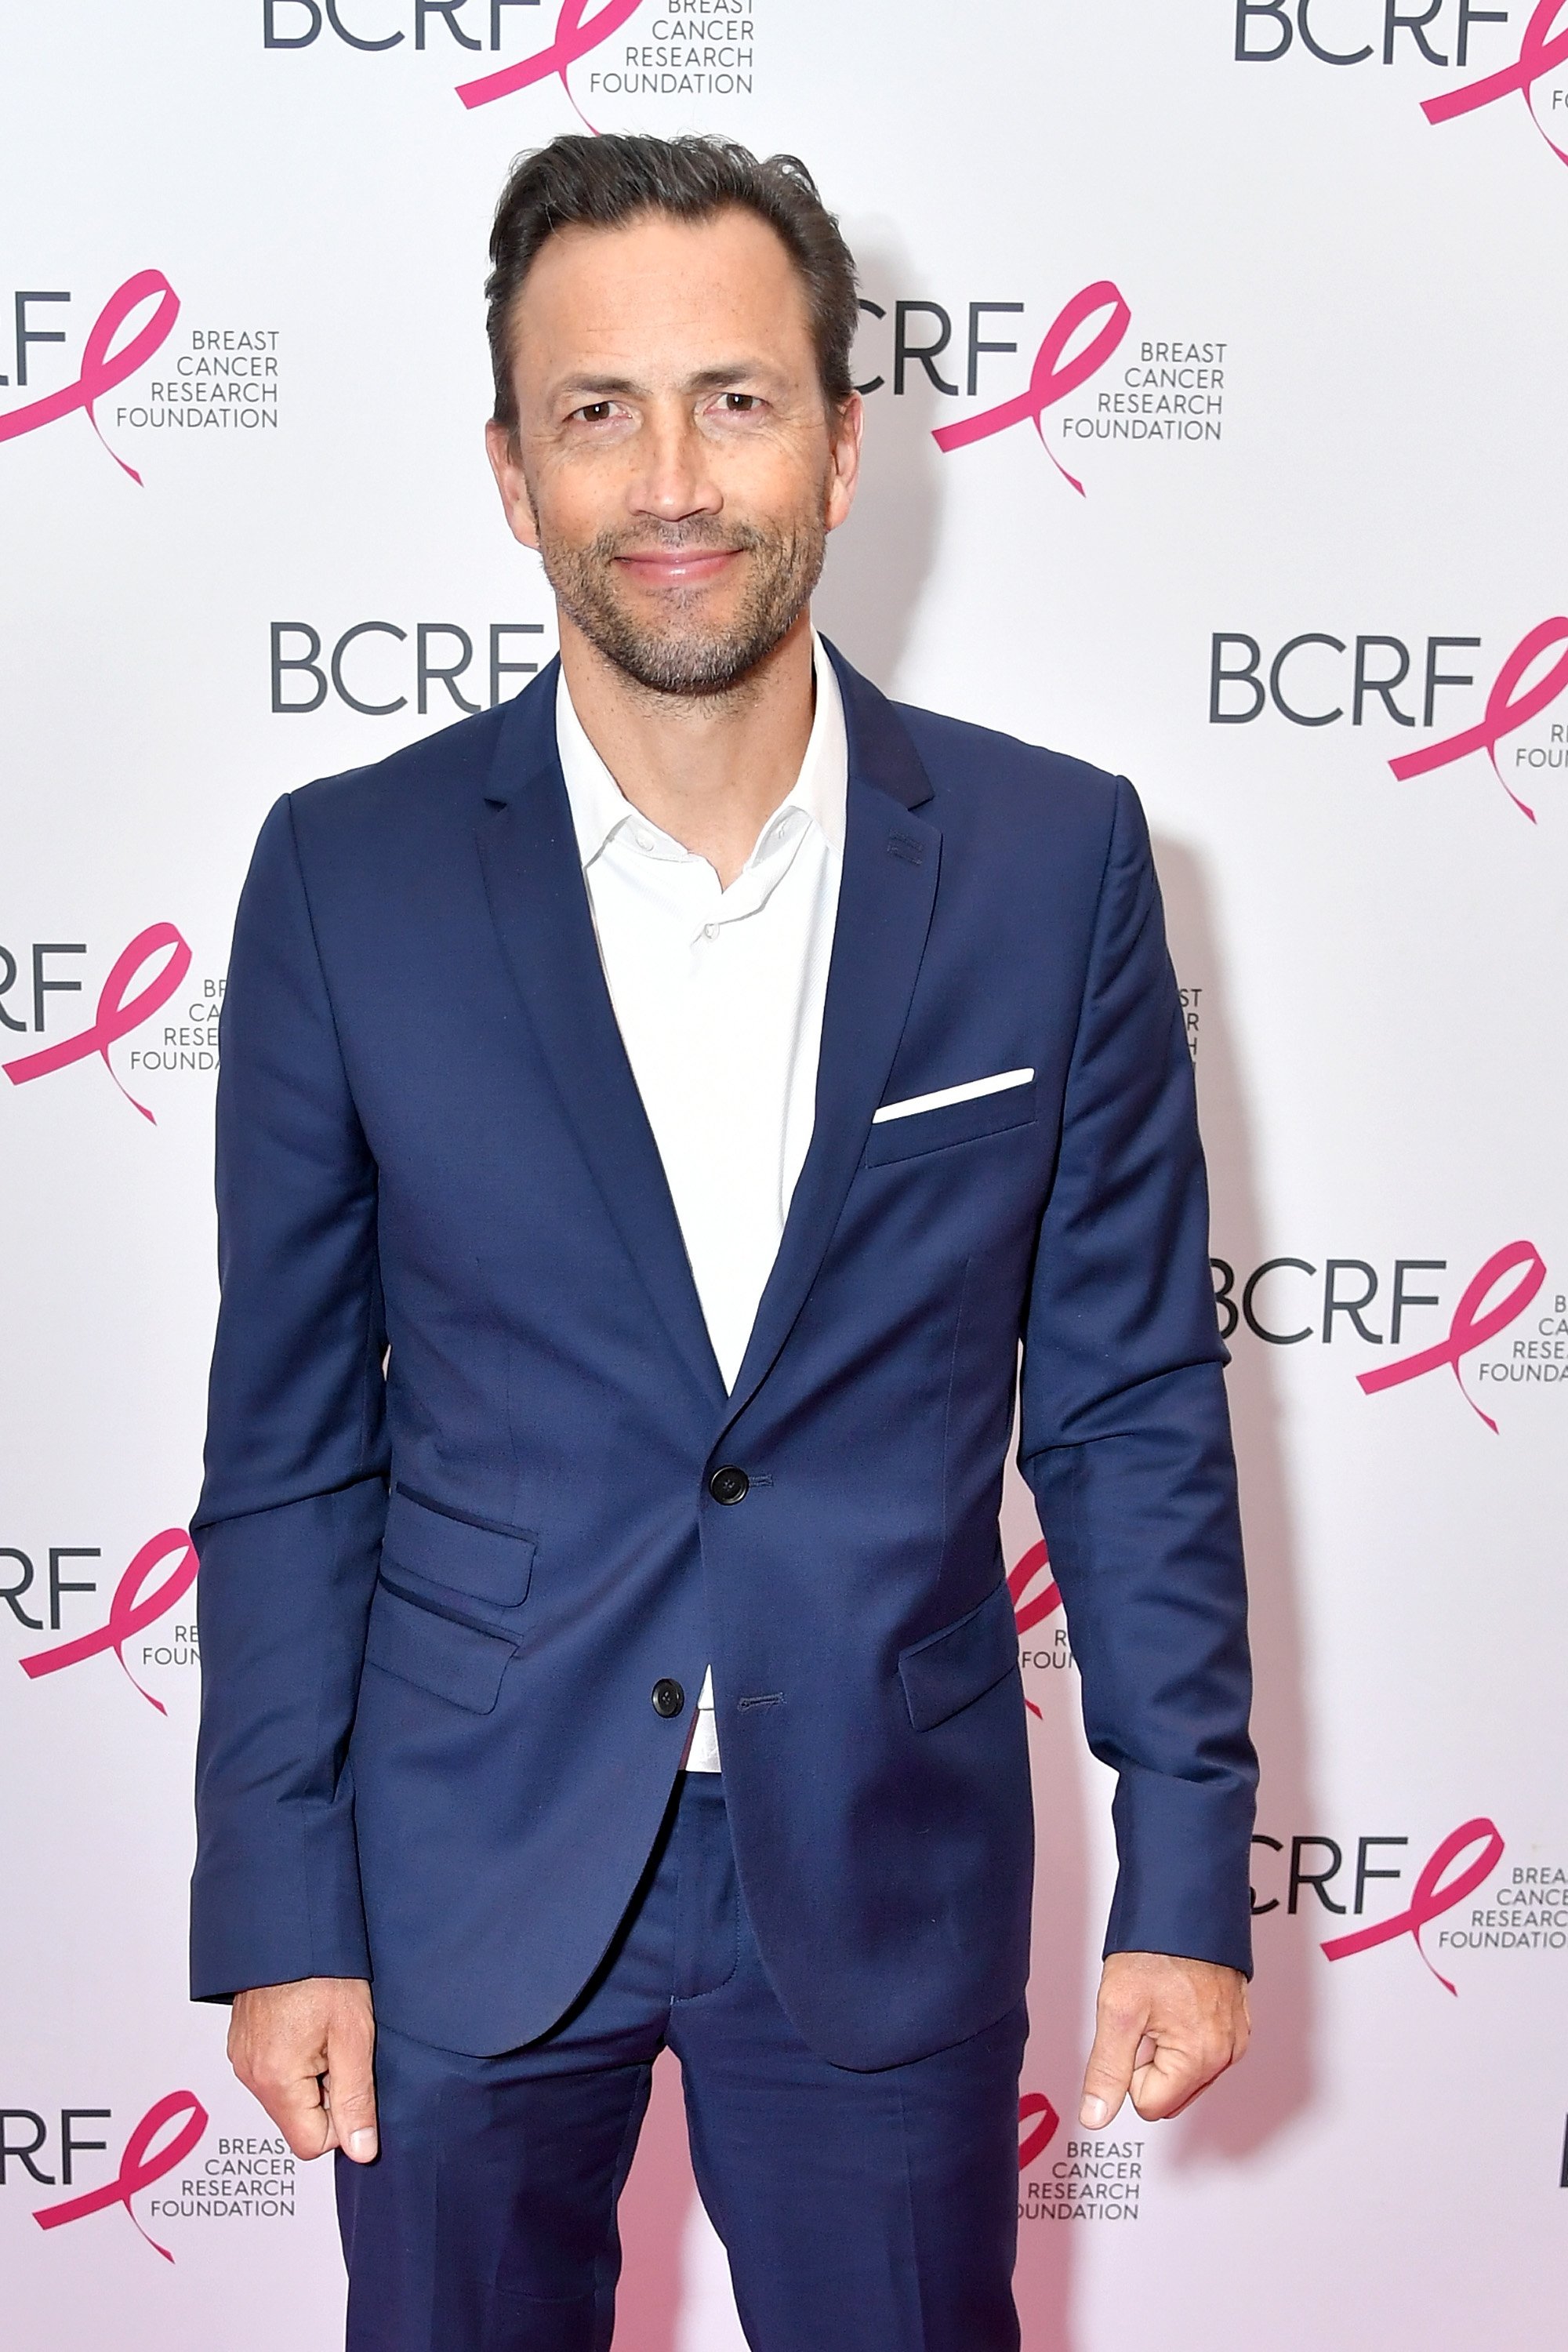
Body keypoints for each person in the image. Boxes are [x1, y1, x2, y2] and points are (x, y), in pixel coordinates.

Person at [190, 132, 1256, 2352]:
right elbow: (289, 1450)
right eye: (599, 413)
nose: (673, 477)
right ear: (511, 473)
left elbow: (1137, 1405)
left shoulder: (1055, 864)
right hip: (464, 1856)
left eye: (737, 400)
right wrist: (282, 1900)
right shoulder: (343, 880)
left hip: (884, 1853)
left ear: (848, 445)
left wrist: (1186, 1874)